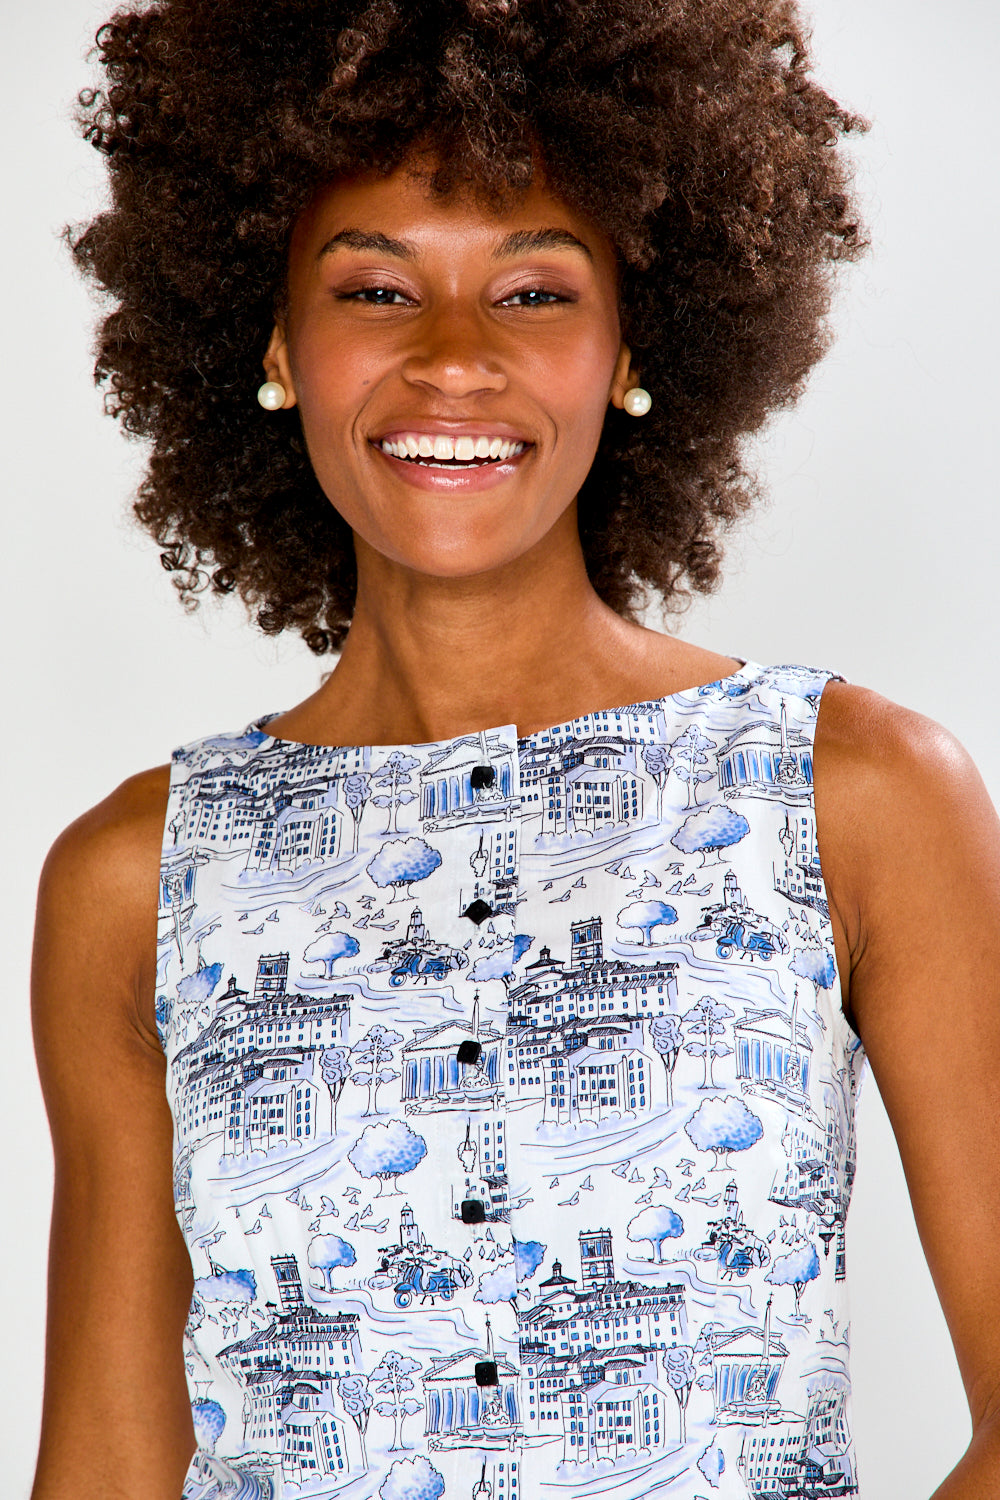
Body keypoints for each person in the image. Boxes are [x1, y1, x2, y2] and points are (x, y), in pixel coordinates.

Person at [28, 2, 1000, 1498]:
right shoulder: (132, 877)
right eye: (375, 288)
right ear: (278, 343)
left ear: (629, 348)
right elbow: (104, 1462)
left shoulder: (852, 791)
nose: (454, 360)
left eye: (535, 292)